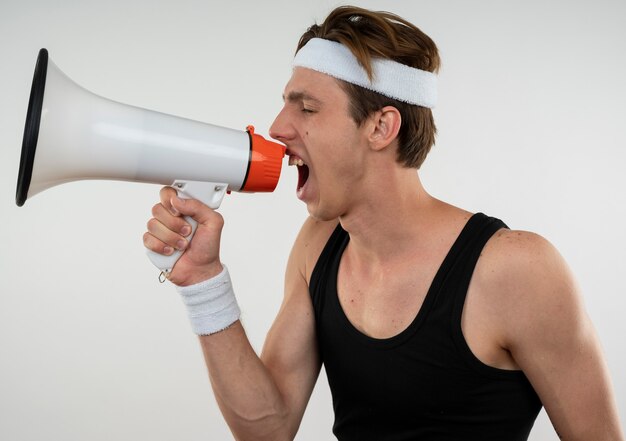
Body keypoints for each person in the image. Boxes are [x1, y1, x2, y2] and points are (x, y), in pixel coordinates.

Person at [143, 5, 624, 441]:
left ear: (380, 127)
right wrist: (204, 281)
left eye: (306, 107)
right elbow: (268, 429)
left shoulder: (517, 269)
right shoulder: (319, 245)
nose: (277, 127)